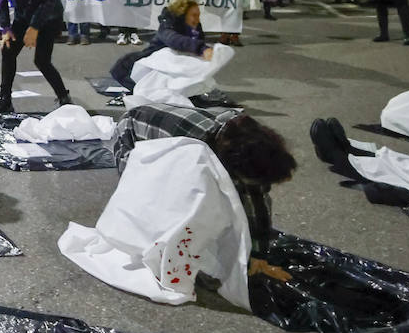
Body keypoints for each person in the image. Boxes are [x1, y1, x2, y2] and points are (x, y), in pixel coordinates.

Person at [113, 104, 296, 253]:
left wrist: (258, 252)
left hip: (173, 131)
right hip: (133, 132)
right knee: (150, 198)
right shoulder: (195, 148)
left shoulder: (252, 146)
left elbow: (257, 199)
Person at [108, 0, 214, 92]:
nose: (197, 19)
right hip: (158, 62)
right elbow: (173, 39)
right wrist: (201, 48)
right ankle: (148, 90)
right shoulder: (167, 26)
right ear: (182, 14)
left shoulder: (194, 25)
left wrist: (202, 50)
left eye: (198, 15)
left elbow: (193, 41)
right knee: (122, 66)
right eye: (194, 15)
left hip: (177, 67)